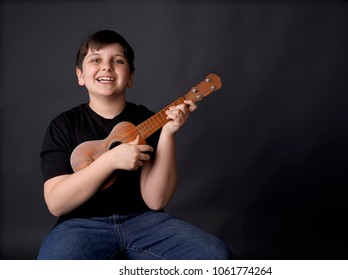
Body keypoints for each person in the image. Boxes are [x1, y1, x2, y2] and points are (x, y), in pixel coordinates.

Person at [38, 30, 231, 260]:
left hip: (145, 223)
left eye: (118, 61)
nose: (107, 67)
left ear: (130, 77)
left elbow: (156, 199)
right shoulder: (64, 125)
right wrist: (110, 161)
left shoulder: (148, 120)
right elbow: (56, 204)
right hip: (80, 225)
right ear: (80, 75)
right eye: (96, 60)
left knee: (215, 256)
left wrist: (168, 133)